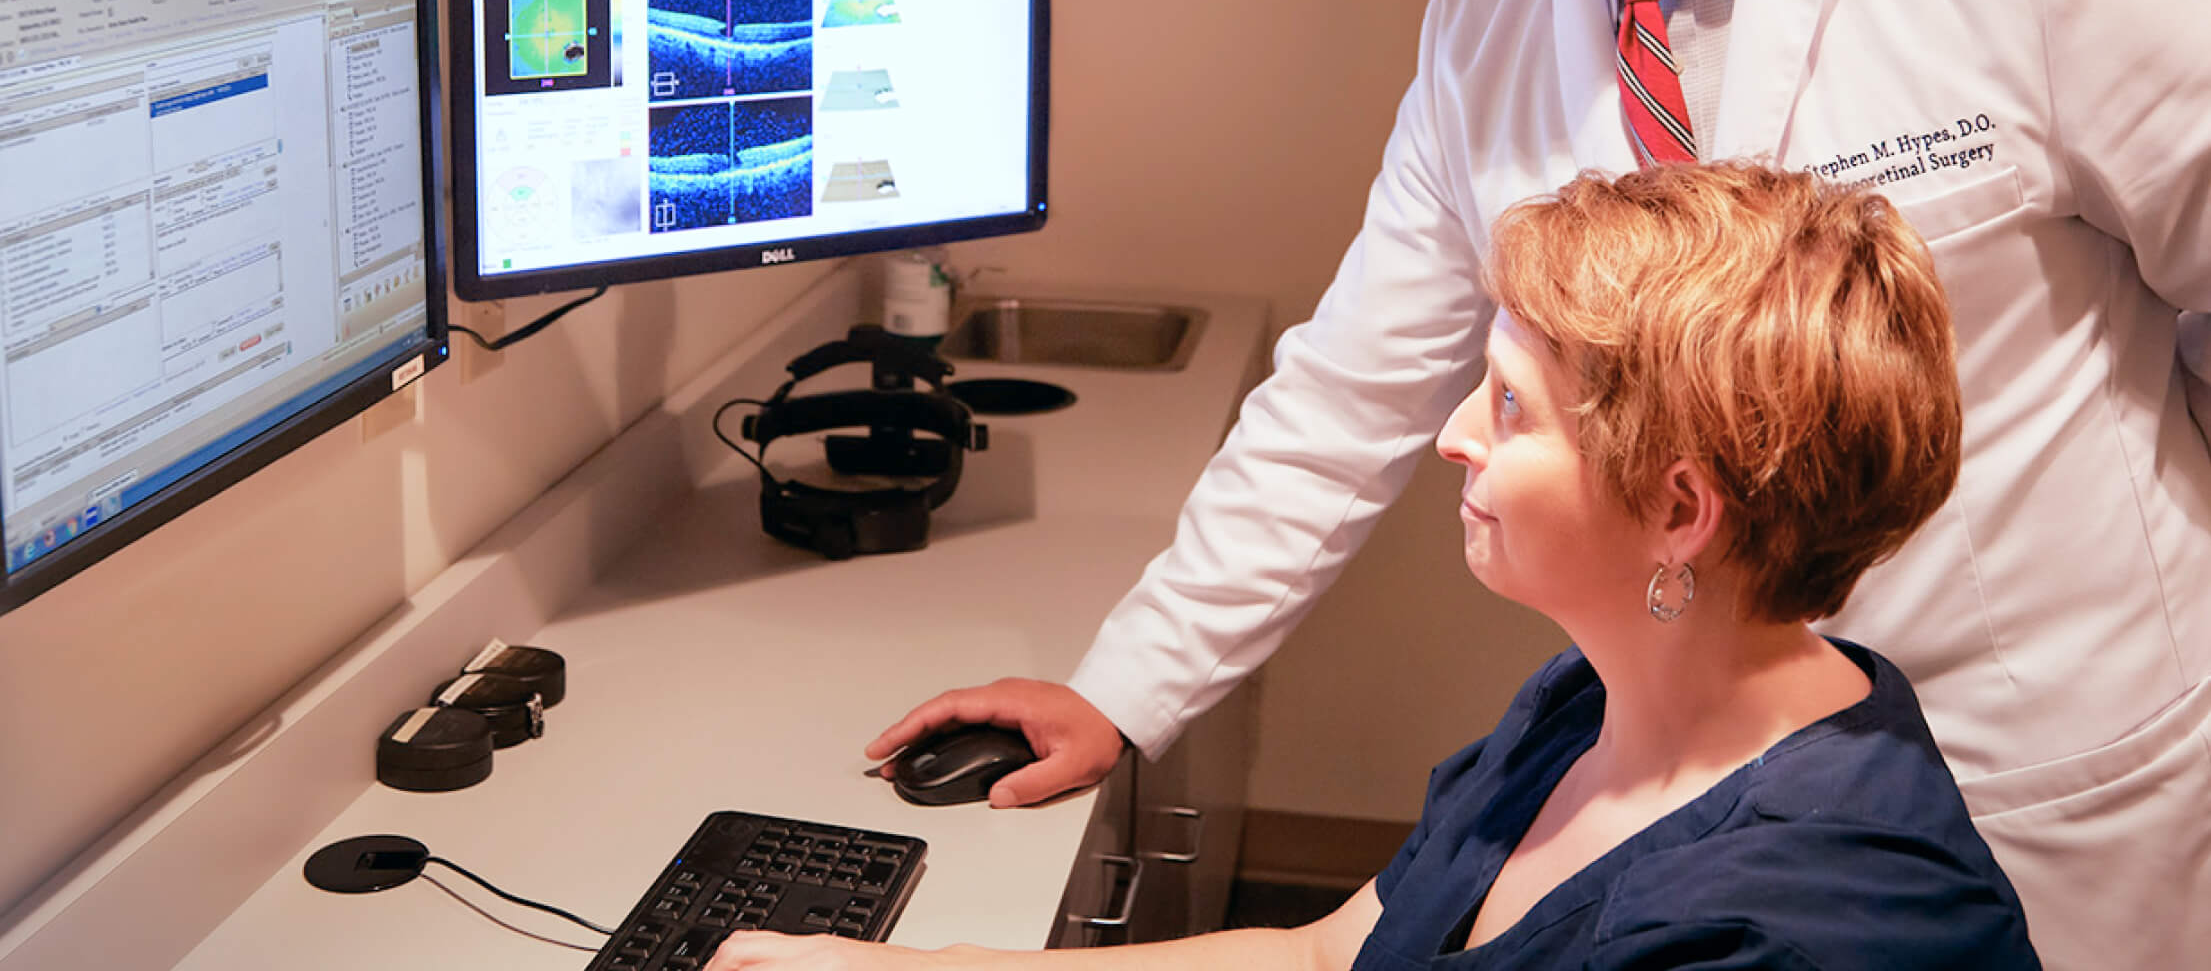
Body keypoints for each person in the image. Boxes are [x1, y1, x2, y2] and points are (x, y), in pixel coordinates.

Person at [871, 0, 2211, 965]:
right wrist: (1124, 690)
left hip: (2045, 769)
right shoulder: (1479, 40)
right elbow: (1347, 398)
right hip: (1700, 787)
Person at [715, 165, 2039, 969]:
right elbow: (1324, 952)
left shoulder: (1796, 933)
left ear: (1681, 511)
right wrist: (915, 967)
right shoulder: (1598, 705)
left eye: (1512, 407)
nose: (1456, 437)